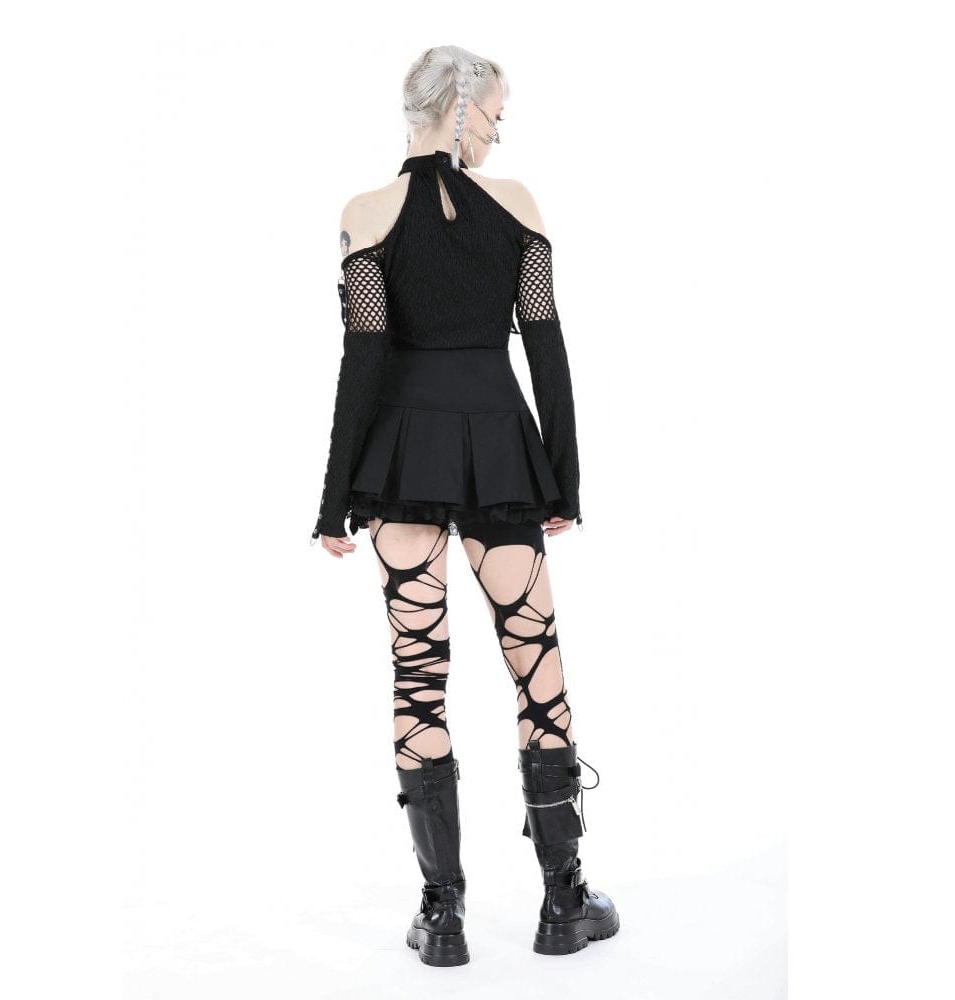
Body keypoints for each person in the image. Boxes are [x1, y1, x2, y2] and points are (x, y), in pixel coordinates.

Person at [311, 45, 619, 964]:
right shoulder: (516, 206)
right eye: (494, 115)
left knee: (418, 673)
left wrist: (333, 502)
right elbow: (546, 348)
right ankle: (564, 901)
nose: (496, 132)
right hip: (499, 454)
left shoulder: (366, 215)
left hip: (401, 457)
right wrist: (561, 478)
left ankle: (441, 914)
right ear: (459, 110)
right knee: (536, 664)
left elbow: (363, 365)